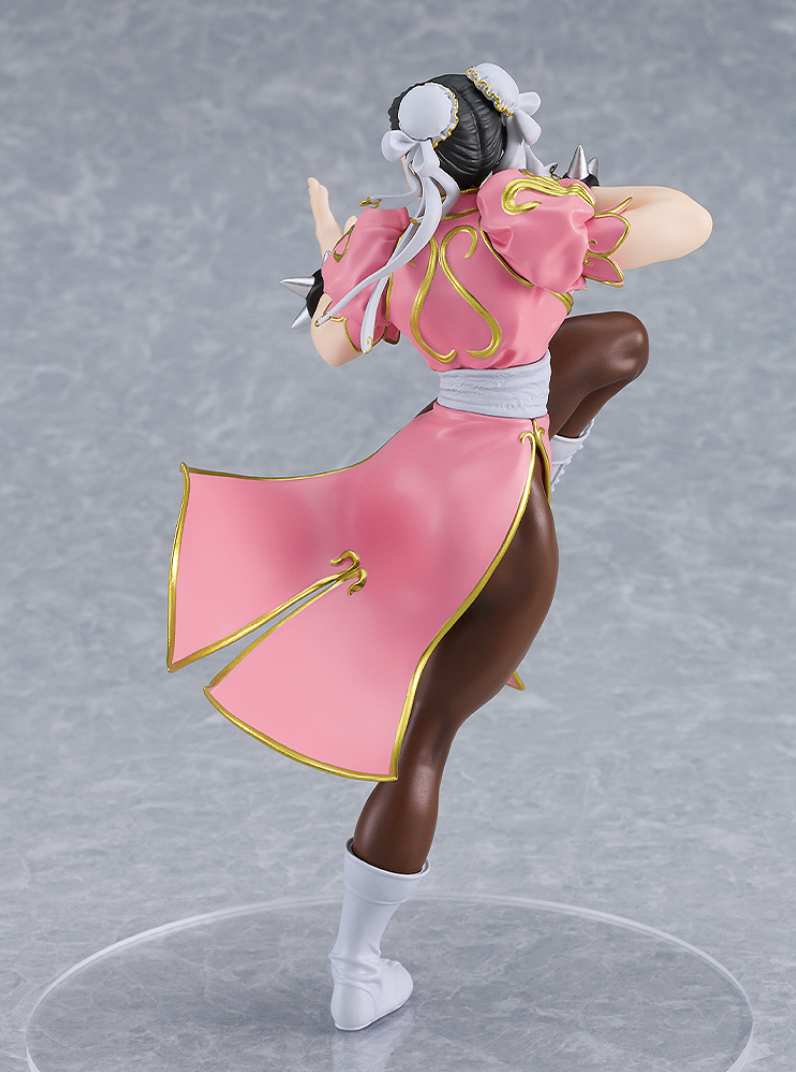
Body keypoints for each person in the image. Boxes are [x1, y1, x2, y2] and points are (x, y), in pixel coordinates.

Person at [168, 63, 711, 1031]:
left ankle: (540, 469)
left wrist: (344, 257)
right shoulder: (528, 226)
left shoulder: (397, 239)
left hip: (424, 465)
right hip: (488, 490)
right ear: (506, 140)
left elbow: (333, 346)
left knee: (616, 341)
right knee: (423, 736)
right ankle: (356, 967)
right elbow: (687, 220)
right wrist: (557, 194)